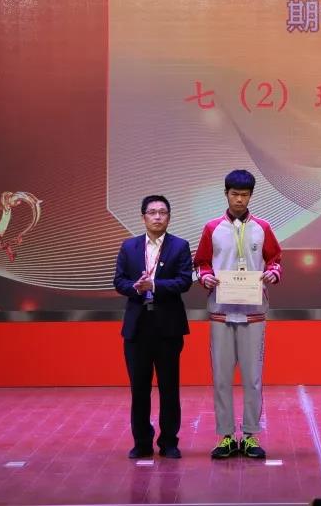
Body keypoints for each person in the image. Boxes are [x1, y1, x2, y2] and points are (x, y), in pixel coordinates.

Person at [194, 169, 282, 459]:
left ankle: (251, 435)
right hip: (221, 312)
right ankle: (226, 436)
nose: (239, 200)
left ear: (251, 196)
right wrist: (205, 277)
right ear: (226, 194)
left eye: (244, 195)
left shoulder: (263, 227)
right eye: (234, 194)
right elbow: (202, 262)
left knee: (253, 378)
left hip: (253, 313)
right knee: (221, 378)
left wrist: (273, 273)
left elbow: (275, 259)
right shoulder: (212, 228)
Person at [113, 195, 192, 459]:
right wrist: (135, 287)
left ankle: (169, 442)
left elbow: (184, 281)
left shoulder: (180, 246)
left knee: (169, 387)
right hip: (138, 327)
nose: (157, 217)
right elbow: (119, 281)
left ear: (169, 217)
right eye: (152, 212)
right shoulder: (129, 246)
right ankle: (142, 442)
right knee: (139, 388)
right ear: (143, 217)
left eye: (162, 212)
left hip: (168, 326)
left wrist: (154, 285)